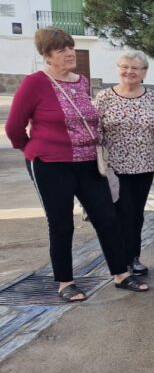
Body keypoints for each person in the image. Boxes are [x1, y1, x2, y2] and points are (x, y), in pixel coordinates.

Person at [6, 28, 139, 299]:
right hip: (51, 164)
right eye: (60, 50)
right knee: (61, 223)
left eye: (70, 47)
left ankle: (121, 274)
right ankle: (65, 283)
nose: (69, 53)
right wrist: (33, 150)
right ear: (46, 56)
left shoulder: (81, 81)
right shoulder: (35, 83)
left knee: (107, 218)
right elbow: (14, 127)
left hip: (88, 162)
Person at [94, 50, 154, 277]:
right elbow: (95, 131)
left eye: (135, 68)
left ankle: (133, 257)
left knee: (136, 213)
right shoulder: (105, 97)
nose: (129, 71)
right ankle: (121, 259)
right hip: (114, 166)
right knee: (121, 212)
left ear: (144, 72)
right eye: (125, 66)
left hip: (145, 163)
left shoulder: (153, 97)